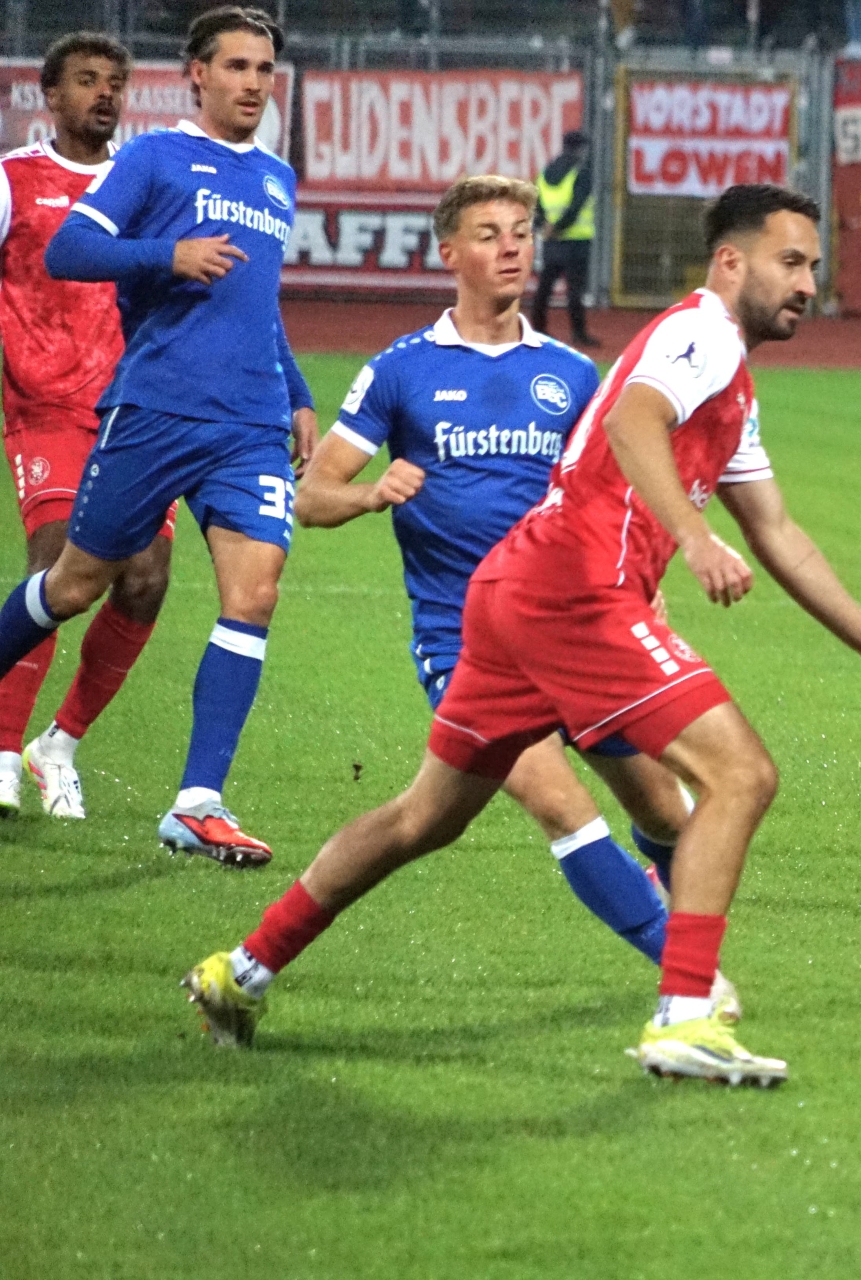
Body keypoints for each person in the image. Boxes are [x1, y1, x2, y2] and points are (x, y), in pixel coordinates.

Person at [182, 184, 861, 1087]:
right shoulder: (699, 332)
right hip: (575, 596)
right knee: (740, 774)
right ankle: (685, 1015)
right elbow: (632, 421)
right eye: (791, 263)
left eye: (814, 266)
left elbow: (779, 532)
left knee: (424, 818)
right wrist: (694, 539)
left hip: (516, 593)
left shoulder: (726, 382)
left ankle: (240, 971)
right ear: (730, 262)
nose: (808, 284)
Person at [290, 172, 735, 1017]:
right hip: (465, 641)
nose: (512, 249)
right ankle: (695, 988)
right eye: (490, 234)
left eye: (522, 233)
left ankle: (251, 964)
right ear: (448, 253)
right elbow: (311, 496)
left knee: (666, 810)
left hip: (573, 625)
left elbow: (614, 493)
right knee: (559, 802)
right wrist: (373, 492)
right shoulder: (401, 371)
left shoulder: (570, 373)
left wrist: (644, 595)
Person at [0, 6, 316, 864]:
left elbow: (258, 300)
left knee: (254, 595)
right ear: (198, 74)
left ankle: (197, 804)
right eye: (238, 67)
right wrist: (166, 255)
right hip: (155, 412)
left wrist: (296, 392)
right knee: (73, 585)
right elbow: (67, 251)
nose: (254, 83)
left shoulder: (277, 179)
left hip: (248, 424)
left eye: (265, 70)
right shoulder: (151, 160)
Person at [0, 32, 175, 822]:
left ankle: (60, 744)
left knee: (145, 580)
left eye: (115, 82)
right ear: (51, 95)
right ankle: (3, 753)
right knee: (55, 567)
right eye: (86, 80)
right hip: (44, 409)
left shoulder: (144, 182)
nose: (104, 93)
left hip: (134, 413)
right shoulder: (14, 180)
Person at [531, 130, 598, 348]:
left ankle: (537, 329)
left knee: (544, 287)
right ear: (579, 149)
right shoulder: (581, 172)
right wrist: (559, 227)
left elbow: (536, 204)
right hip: (576, 241)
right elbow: (576, 206)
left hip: (551, 241)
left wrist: (545, 226)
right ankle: (578, 333)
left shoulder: (545, 172)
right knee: (575, 290)